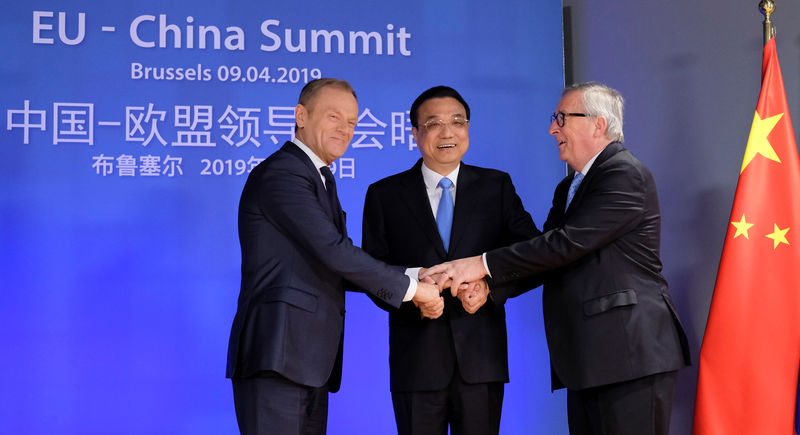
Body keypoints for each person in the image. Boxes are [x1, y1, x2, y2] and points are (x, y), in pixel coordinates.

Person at [424, 82, 691, 435]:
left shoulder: (624, 174)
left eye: (562, 118)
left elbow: (566, 244)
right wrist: (489, 288)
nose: (553, 128)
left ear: (598, 124)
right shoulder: (570, 187)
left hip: (628, 353)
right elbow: (549, 256)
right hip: (589, 358)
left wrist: (480, 264)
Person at [226, 78, 443, 435]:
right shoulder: (283, 173)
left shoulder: (319, 177)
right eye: (333, 117)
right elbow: (333, 251)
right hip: (277, 357)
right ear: (300, 115)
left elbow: (334, 261)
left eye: (353, 122)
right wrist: (411, 291)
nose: (345, 129)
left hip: (306, 360)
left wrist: (415, 274)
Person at [361, 86, 539, 435]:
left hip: (481, 360)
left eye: (458, 122)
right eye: (434, 123)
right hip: (416, 363)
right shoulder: (384, 194)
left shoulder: (496, 187)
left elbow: (532, 254)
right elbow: (370, 271)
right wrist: (414, 289)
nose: (448, 132)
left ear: (468, 129)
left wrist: (489, 286)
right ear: (415, 133)